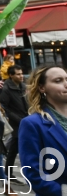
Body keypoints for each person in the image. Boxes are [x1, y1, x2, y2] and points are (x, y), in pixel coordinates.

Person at [19, 65, 67, 195]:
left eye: (66, 79)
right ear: (42, 88)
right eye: (58, 81)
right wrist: (62, 191)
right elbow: (32, 173)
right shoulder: (32, 124)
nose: (66, 84)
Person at [0, 64, 29, 183]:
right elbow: (3, 106)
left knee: (20, 148)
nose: (21, 76)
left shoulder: (22, 86)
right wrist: (16, 118)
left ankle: (10, 173)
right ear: (11, 76)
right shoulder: (6, 89)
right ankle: (9, 174)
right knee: (14, 149)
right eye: (18, 74)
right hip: (16, 123)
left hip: (26, 120)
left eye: (21, 73)